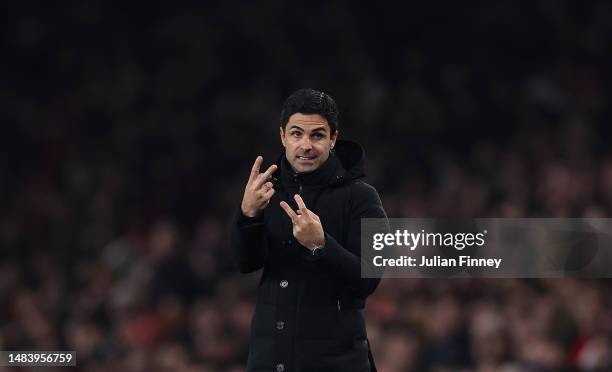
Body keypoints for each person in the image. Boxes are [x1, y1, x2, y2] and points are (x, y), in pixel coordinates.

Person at [232, 88, 387, 372]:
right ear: (282, 136)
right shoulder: (267, 191)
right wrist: (248, 215)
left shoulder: (362, 197)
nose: (306, 145)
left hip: (335, 364)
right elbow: (246, 263)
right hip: (269, 361)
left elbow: (369, 279)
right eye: (296, 134)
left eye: (317, 135)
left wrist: (321, 245)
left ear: (333, 139)